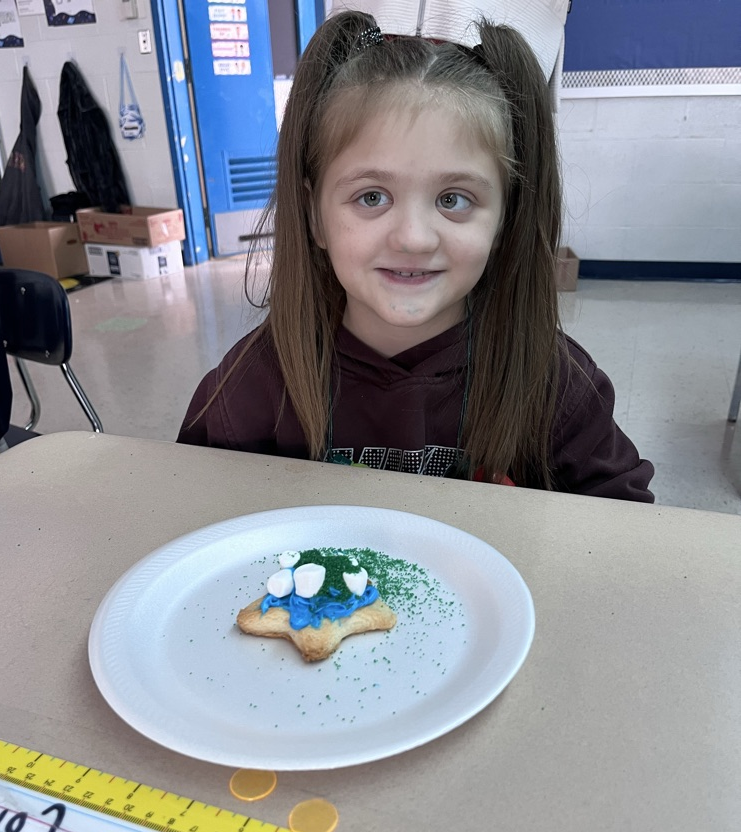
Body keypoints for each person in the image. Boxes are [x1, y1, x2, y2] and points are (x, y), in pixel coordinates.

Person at [178, 9, 654, 502]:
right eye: (371, 197)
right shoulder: (253, 385)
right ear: (314, 217)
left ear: (504, 221)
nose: (413, 238)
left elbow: (621, 531)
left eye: (453, 200)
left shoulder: (554, 384)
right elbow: (197, 514)